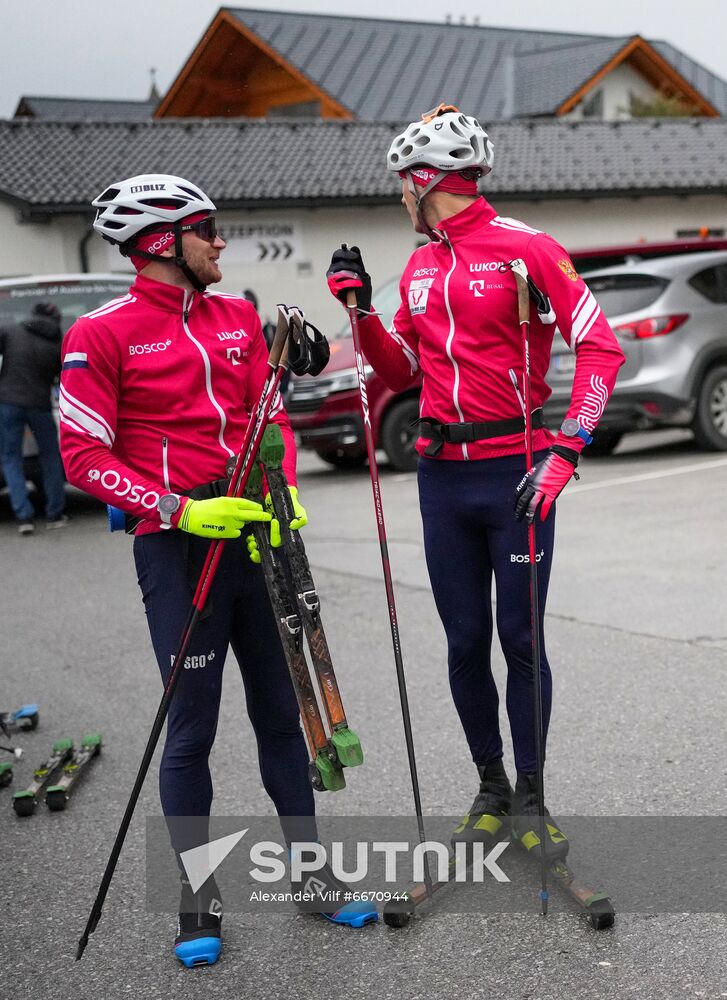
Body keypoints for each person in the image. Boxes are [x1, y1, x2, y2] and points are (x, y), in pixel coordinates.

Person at [60, 174, 372, 968]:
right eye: (206, 230)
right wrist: (178, 509)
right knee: (192, 730)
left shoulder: (237, 316)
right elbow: (81, 456)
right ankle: (194, 900)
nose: (220, 241)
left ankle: (312, 878)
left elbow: (265, 417)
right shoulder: (101, 333)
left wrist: (287, 489)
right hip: (179, 546)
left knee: (281, 715)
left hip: (257, 539)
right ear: (161, 242)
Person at [326, 105, 625, 860]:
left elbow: (600, 349)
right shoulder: (423, 264)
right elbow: (399, 370)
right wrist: (360, 315)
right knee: (463, 641)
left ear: (427, 180)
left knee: (520, 639)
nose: (399, 196)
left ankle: (531, 798)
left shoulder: (526, 247)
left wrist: (566, 451)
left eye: (403, 182)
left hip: (516, 473)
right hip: (440, 477)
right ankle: (489, 788)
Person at [0, 302, 67, 534]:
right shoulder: (58, 344)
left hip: (8, 403)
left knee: (11, 458)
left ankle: (24, 516)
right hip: (40, 406)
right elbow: (63, 379)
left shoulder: (11, 331)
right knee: (50, 457)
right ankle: (55, 513)